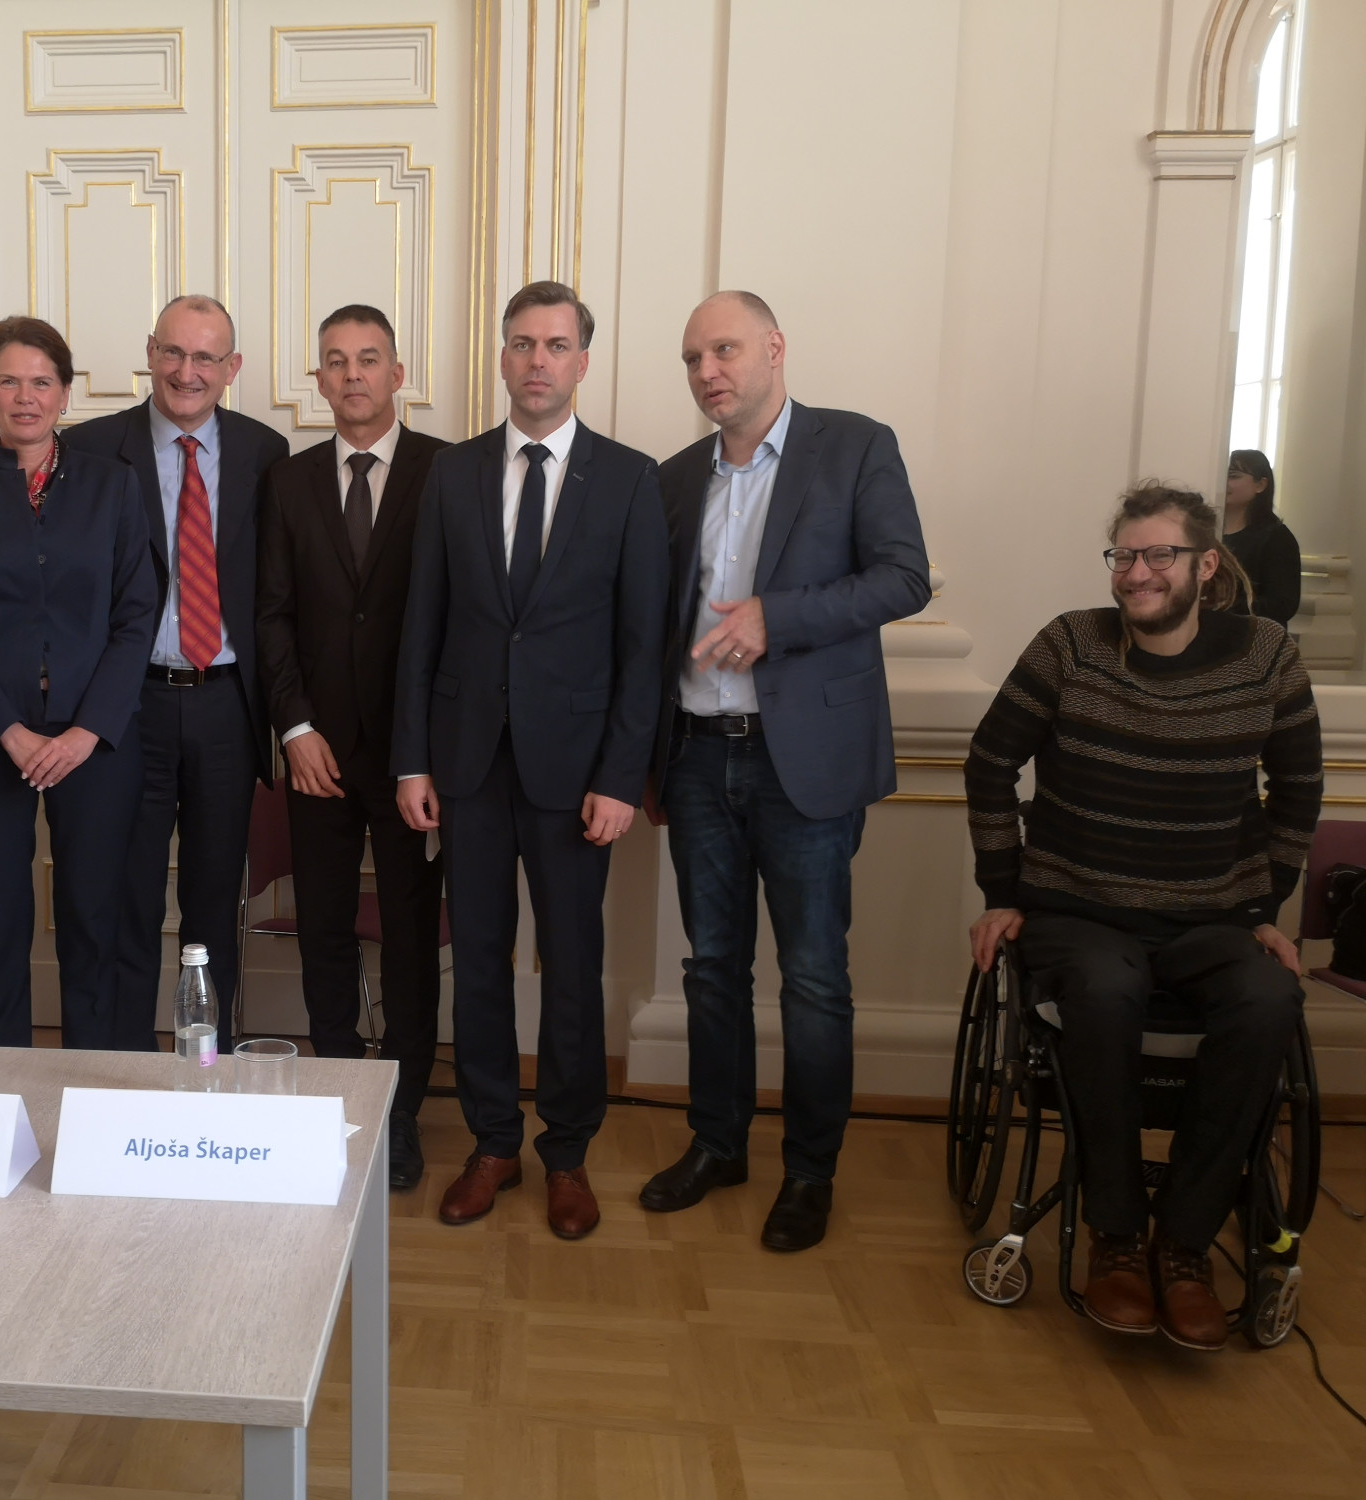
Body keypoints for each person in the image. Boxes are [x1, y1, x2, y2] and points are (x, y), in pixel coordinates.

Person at [965, 485, 1320, 1351]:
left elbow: (1298, 790)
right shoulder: (1071, 645)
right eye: (1124, 555)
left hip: (1211, 921)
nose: (1137, 572)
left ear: (1206, 565)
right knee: (1103, 987)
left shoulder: (1267, 657)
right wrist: (1002, 891)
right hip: (1078, 912)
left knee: (1269, 999)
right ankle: (1117, 1237)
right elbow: (989, 762)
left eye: (1160, 554)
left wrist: (1264, 907)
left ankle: (1186, 1246)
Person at [638, 291, 930, 1253]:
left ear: (774, 348)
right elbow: (654, 625)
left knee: (812, 978)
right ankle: (718, 1146)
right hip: (696, 756)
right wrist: (645, 760)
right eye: (693, 358)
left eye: (724, 350)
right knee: (712, 970)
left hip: (803, 760)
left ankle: (810, 1173)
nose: (707, 372)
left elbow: (904, 576)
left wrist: (779, 616)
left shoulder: (855, 446)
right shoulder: (676, 477)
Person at [391, 280, 669, 1240]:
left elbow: (643, 647)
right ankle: (493, 1143)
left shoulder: (629, 480)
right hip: (467, 765)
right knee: (477, 961)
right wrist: (412, 761)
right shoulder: (453, 472)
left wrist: (620, 776)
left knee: (573, 966)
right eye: (521, 343)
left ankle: (568, 1153)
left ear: (582, 362)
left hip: (577, 775)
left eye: (555, 345)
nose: (537, 360)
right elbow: (422, 625)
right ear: (502, 358)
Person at [0, 317, 156, 1048]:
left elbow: (137, 616)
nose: (26, 397)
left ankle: (89, 1086)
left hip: (96, 741)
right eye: (9, 381)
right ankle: (5, 1085)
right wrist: (10, 733)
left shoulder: (114, 486)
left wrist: (86, 732)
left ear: (65, 393)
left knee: (94, 918)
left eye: (41, 382)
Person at [256, 304, 448, 1191]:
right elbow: (271, 615)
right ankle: (335, 1095)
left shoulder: (448, 472)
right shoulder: (287, 483)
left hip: (414, 758)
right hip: (318, 754)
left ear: (397, 375)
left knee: (409, 937)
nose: (353, 375)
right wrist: (294, 728)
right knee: (326, 931)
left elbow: (459, 619)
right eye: (335, 361)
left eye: (369, 359)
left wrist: (426, 749)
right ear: (319, 381)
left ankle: (399, 1111)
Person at [69, 296, 290, 1051]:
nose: (186, 371)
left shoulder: (266, 451)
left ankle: (206, 1063)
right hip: (129, 705)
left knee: (213, 897)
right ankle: (131, 1064)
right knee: (128, 893)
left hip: (227, 704)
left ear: (232, 368)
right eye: (173, 352)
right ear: (150, 352)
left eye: (205, 357)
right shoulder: (92, 448)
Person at [1222, 448, 1301, 625]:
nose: (1224, 482)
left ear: (1260, 485)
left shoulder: (1277, 537)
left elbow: (1283, 604)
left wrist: (1222, 606)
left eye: (1233, 476)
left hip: (1251, 634)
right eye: (1222, 475)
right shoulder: (1207, 531)